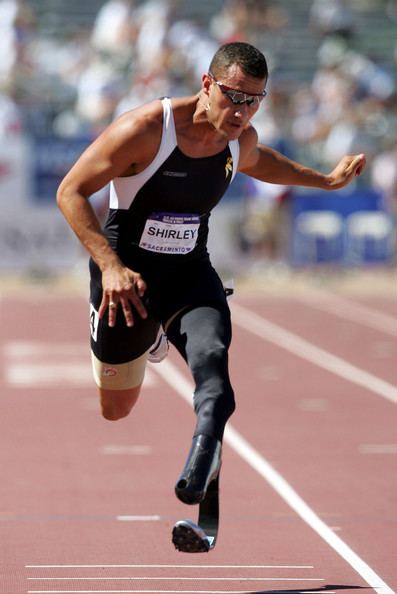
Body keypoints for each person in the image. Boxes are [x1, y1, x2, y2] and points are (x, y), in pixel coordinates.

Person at [57, 41, 366, 551]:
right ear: (207, 84)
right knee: (116, 409)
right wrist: (110, 267)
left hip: (189, 277)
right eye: (234, 96)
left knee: (215, 375)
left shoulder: (239, 139)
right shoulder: (146, 129)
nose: (242, 111)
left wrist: (326, 181)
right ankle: (150, 338)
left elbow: (264, 163)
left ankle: (197, 487)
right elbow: (70, 191)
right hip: (126, 284)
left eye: (255, 100)